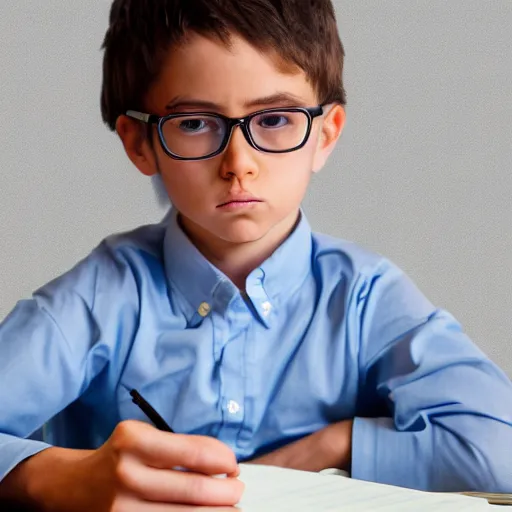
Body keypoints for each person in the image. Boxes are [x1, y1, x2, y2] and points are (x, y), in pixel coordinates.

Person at [1, 0, 511, 510]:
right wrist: (58, 477)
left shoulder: (364, 299)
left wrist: (335, 446)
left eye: (274, 119)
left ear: (325, 134)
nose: (238, 164)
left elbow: (499, 447)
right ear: (140, 143)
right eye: (196, 124)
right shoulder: (101, 298)